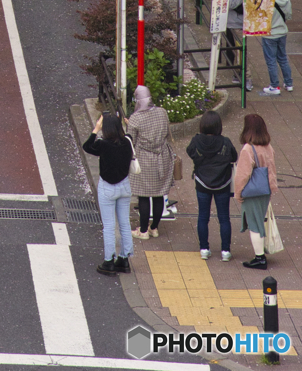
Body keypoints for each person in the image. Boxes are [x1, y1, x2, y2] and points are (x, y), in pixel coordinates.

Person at [83, 113, 134, 275]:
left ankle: (109, 261)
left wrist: (95, 129)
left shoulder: (102, 144)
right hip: (124, 186)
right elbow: (129, 134)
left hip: (107, 188)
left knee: (109, 226)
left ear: (105, 128)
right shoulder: (127, 141)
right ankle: (124, 259)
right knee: (125, 223)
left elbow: (86, 146)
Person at [186, 111, 238, 261]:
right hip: (223, 183)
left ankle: (204, 249)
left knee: (203, 217)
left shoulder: (196, 141)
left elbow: (190, 151)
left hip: (202, 182)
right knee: (224, 218)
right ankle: (225, 251)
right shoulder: (225, 142)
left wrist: (200, 161)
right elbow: (234, 157)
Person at [127, 85, 175, 241]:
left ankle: (142, 230)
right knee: (159, 193)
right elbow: (168, 133)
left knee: (143, 195)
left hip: (145, 158)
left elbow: (131, 141)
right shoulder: (162, 112)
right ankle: (154, 228)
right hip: (163, 156)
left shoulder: (136, 118)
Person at [236, 113, 278, 270]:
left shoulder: (248, 149)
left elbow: (242, 175)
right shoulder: (268, 146)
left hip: (252, 191)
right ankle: (261, 255)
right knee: (260, 220)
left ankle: (259, 257)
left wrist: (238, 193)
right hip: (266, 189)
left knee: (254, 224)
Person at [261, 0, 293, 95]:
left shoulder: (267, 1)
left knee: (271, 61)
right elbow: (288, 15)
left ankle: (274, 86)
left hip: (269, 35)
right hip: (282, 32)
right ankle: (289, 84)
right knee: (283, 58)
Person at [225, 0, 253, 91]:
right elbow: (231, 4)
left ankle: (237, 74)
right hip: (235, 23)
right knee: (241, 51)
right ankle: (246, 77)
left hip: (242, 22)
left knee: (239, 51)